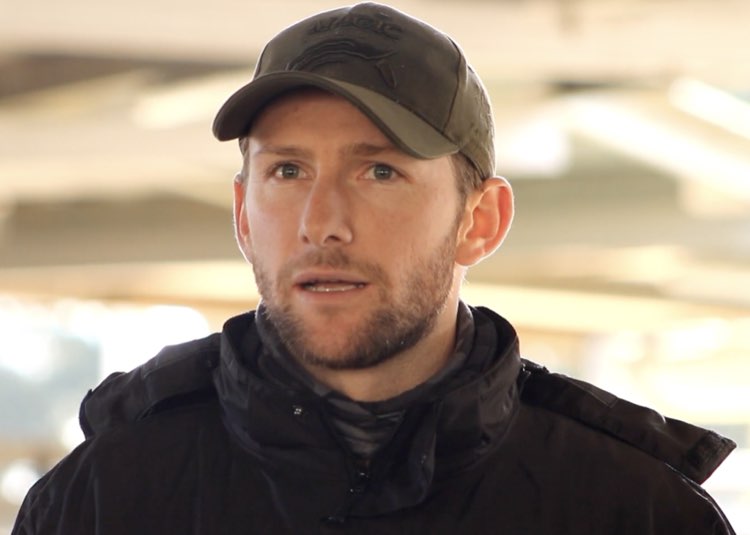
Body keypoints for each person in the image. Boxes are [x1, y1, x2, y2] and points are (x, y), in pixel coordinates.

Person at [13, 3, 736, 534]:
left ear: (480, 220)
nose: (321, 221)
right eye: (288, 170)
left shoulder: (632, 510)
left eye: (380, 171)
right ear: (243, 215)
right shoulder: (103, 501)